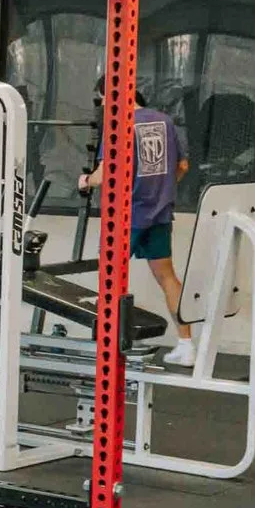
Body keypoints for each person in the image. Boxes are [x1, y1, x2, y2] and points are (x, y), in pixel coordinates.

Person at [80, 95, 194, 367]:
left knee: (112, 278)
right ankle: (187, 346)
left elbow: (105, 172)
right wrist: (161, 189)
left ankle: (108, 350)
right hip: (160, 213)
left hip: (126, 216)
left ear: (109, 96)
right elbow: (182, 166)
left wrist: (86, 181)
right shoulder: (165, 121)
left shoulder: (119, 125)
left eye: (101, 101)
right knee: (167, 277)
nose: (103, 108)